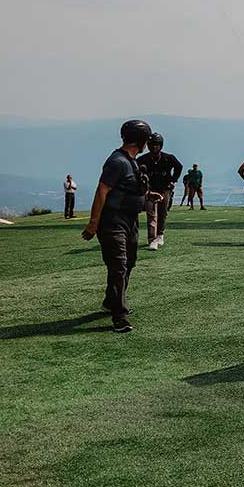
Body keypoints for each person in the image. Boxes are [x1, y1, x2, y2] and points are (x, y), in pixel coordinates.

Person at [81, 120, 161, 333]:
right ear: (141, 140)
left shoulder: (132, 161)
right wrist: (93, 224)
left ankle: (111, 300)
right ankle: (120, 316)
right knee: (118, 265)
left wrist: (148, 196)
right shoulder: (116, 161)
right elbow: (102, 191)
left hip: (131, 220)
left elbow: (129, 188)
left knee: (130, 262)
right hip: (112, 221)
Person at [138, 132, 183, 251]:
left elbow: (179, 167)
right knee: (151, 214)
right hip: (150, 191)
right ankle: (152, 240)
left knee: (163, 213)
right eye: (152, 145)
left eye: (156, 145)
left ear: (161, 145)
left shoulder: (168, 158)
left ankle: (160, 234)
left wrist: (173, 180)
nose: (154, 147)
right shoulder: (142, 160)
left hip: (165, 190)